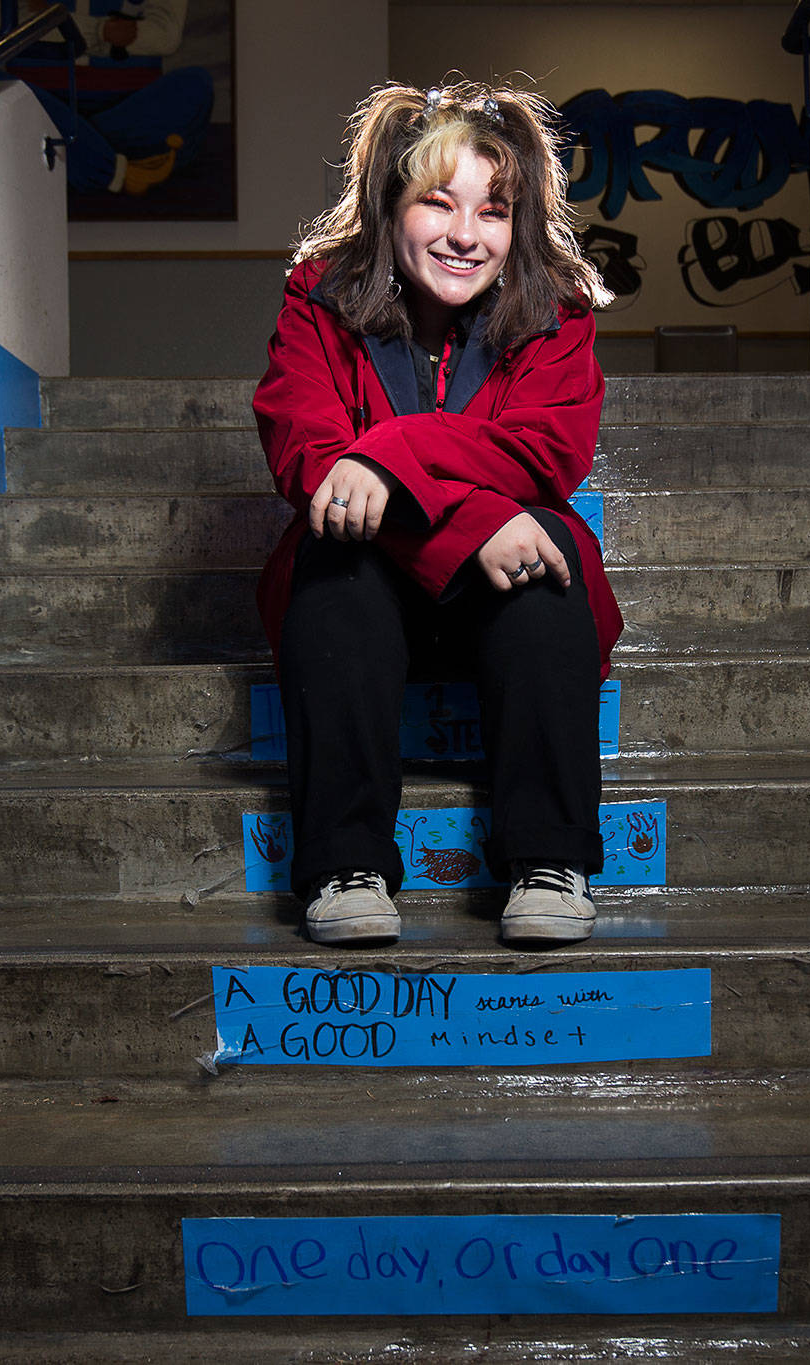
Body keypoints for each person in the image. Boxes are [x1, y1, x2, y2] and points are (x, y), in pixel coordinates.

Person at [253, 81, 620, 949]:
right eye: (438, 203)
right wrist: (472, 522)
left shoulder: (558, 314)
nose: (465, 234)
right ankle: (347, 864)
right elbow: (311, 457)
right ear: (391, 206)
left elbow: (543, 452)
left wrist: (388, 452)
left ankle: (549, 858)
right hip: (366, 601)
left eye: (493, 212)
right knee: (333, 554)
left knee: (549, 554)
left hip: (503, 610)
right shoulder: (318, 299)